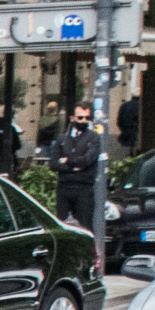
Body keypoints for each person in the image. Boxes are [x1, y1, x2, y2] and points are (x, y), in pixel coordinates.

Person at [46, 103, 103, 243]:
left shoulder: (94, 138)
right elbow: (53, 164)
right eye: (80, 117)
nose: (84, 121)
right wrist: (73, 167)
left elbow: (87, 160)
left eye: (87, 118)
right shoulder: (62, 138)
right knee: (63, 226)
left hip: (84, 188)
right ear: (72, 118)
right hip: (64, 187)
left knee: (85, 227)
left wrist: (66, 161)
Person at [0, 107, 23, 175]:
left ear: (3, 114)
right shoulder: (10, 129)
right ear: (12, 116)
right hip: (6, 161)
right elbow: (17, 145)